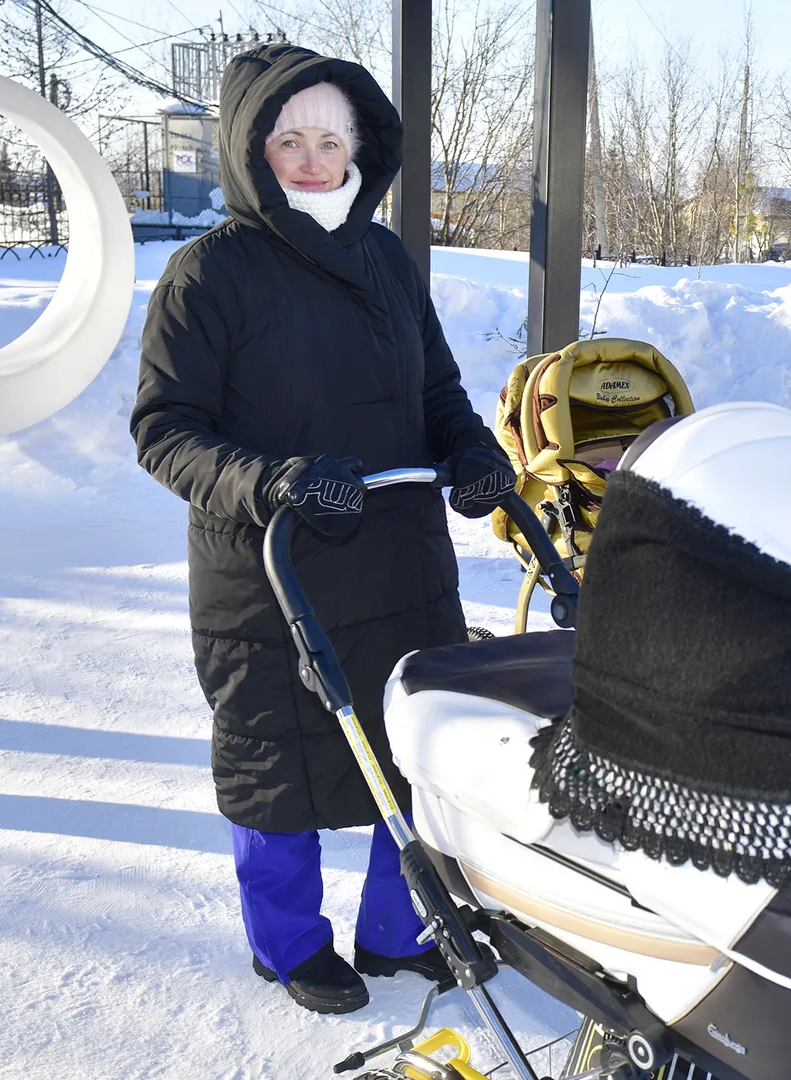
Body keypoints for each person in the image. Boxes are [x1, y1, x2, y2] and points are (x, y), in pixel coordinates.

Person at [131, 45, 515, 1014]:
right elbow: (164, 431)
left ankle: (396, 931)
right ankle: (289, 944)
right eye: (289, 139)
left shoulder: (386, 258)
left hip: (398, 558)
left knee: (410, 746)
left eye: (329, 140)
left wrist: (471, 452)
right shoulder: (207, 275)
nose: (311, 159)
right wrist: (273, 483)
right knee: (275, 763)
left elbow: (435, 391)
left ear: (360, 148)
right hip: (273, 573)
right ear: (253, 150)